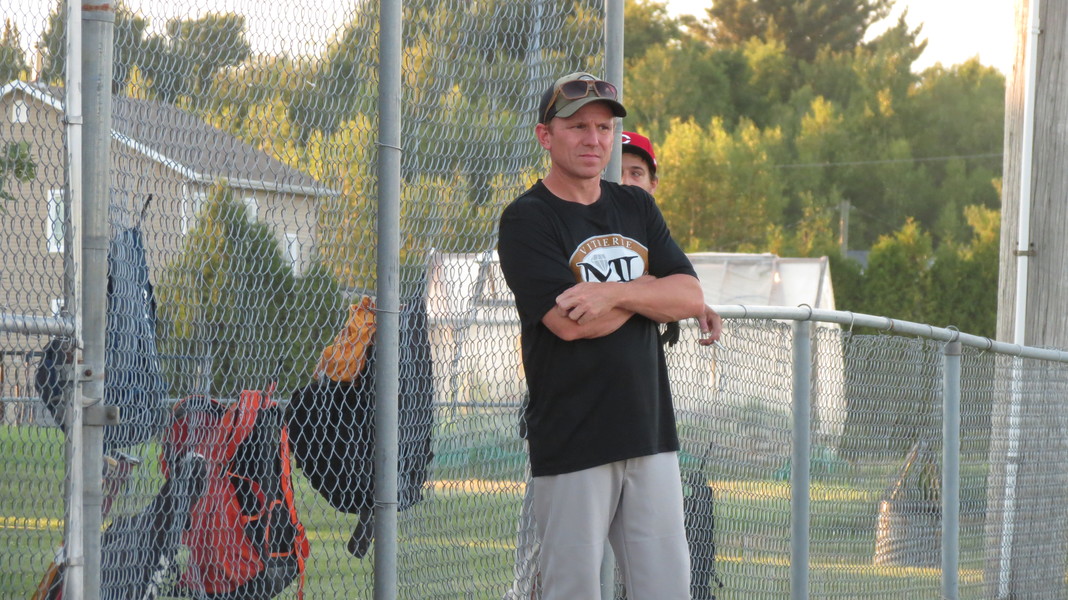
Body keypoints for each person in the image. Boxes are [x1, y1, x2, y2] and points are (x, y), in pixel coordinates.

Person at [496, 71, 711, 600]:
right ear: (546, 135)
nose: (593, 139)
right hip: (574, 438)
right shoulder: (527, 219)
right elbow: (569, 325)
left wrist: (611, 294)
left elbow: (689, 296)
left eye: (604, 127)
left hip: (650, 431)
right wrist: (650, 292)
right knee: (571, 589)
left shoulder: (635, 206)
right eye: (577, 127)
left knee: (667, 588)